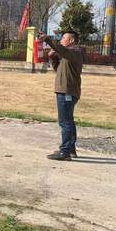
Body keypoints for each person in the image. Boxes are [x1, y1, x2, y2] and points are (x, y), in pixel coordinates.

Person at [38, 30, 84, 161]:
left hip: (67, 92)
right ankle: (70, 149)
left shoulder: (75, 52)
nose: (61, 40)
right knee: (68, 120)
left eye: (64, 38)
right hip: (64, 91)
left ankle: (65, 152)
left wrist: (48, 40)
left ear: (71, 40)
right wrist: (53, 58)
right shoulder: (67, 55)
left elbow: (62, 50)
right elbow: (58, 70)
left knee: (65, 122)